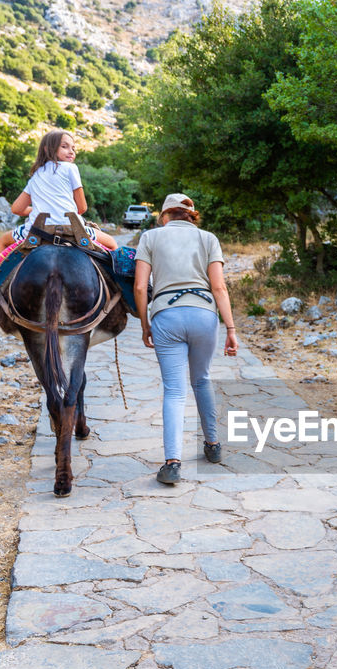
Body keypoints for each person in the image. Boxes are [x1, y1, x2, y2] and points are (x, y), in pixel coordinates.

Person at [133, 193, 239, 485]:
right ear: (192, 216)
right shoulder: (208, 238)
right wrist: (230, 328)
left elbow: (141, 287)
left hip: (167, 316)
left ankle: (172, 463)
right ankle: (213, 447)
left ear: (164, 216)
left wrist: (145, 325)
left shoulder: (150, 238)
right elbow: (219, 287)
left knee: (175, 390)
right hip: (204, 314)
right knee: (202, 379)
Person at [0, 130, 117, 318]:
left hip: (37, 230)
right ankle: (118, 297)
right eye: (65, 146)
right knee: (111, 243)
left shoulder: (36, 174)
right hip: (72, 229)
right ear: (48, 148)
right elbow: (82, 207)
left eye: (73, 148)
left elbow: (16, 209)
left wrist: (37, 209)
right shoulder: (71, 169)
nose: (71, 152)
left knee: (4, 241)